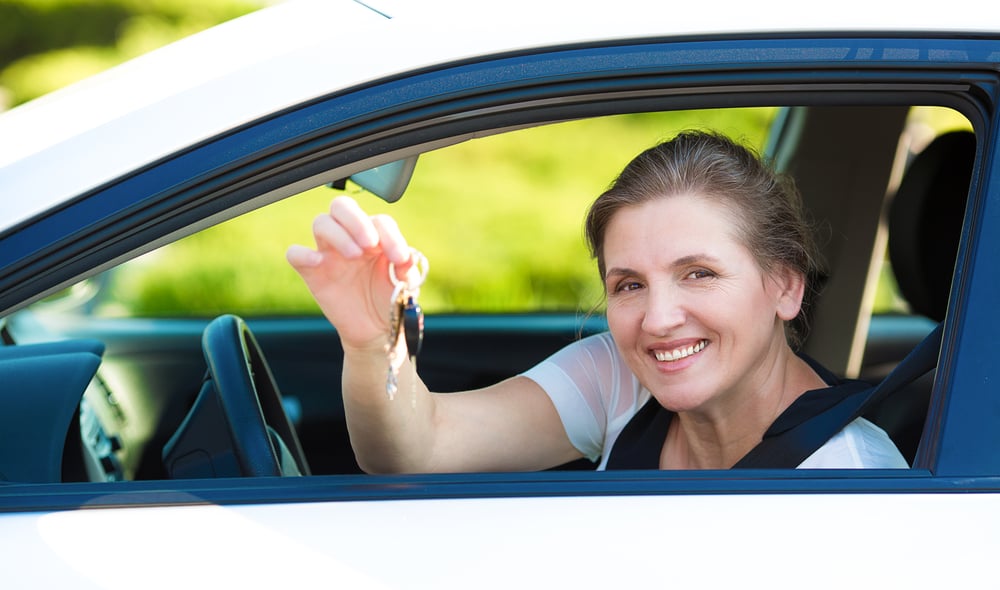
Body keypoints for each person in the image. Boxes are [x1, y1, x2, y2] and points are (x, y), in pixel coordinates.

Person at [286, 130, 908, 473]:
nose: (659, 320)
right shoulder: (620, 376)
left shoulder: (851, 479)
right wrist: (375, 344)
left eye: (698, 274)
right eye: (629, 284)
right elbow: (415, 450)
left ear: (785, 285)